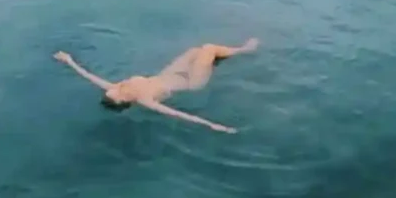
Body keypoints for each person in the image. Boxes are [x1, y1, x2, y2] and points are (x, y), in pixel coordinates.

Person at [52, 38, 259, 134]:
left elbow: (90, 76)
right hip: (190, 82)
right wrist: (216, 126)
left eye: (113, 88)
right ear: (125, 100)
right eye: (119, 91)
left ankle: (224, 55)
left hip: (168, 75)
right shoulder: (145, 101)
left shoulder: (120, 89)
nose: (118, 85)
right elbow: (179, 115)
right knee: (208, 48)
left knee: (196, 50)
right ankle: (244, 50)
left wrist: (69, 60)